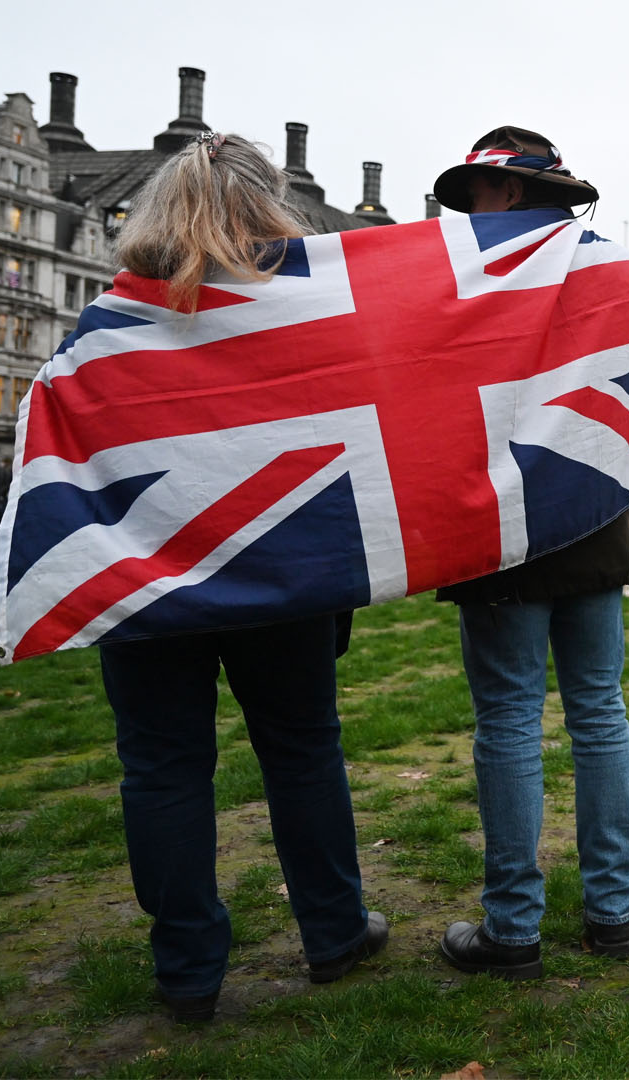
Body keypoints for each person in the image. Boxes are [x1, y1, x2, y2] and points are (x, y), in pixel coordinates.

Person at [92, 133, 384, 1021]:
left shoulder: (106, 326)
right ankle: (334, 931)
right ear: (270, 207)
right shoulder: (301, 319)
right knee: (302, 749)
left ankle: (187, 971)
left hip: (145, 573)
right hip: (278, 566)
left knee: (162, 766)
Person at [431, 127, 629, 979]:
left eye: (476, 195)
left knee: (512, 719)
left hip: (504, 524)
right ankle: (612, 915)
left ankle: (513, 929)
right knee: (599, 713)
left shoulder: (463, 280)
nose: (466, 215)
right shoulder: (617, 271)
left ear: (511, 191)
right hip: (592, 517)